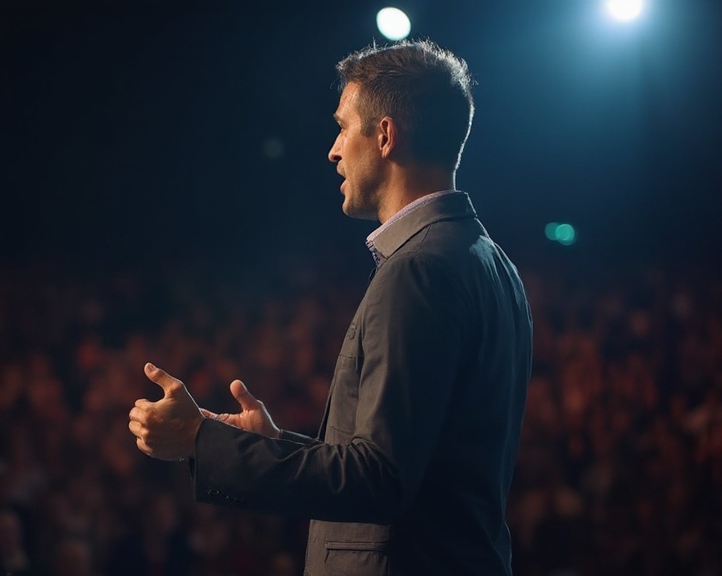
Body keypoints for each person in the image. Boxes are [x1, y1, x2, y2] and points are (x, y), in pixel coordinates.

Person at [128, 39, 533, 575]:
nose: (333, 149)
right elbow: (412, 464)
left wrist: (202, 441)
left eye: (343, 127)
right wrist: (272, 445)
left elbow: (377, 480)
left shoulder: (419, 269)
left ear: (385, 135)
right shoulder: (490, 261)